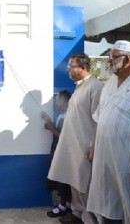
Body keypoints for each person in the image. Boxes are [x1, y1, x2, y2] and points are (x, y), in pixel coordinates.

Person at [86, 40, 130, 224]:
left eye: (114, 57)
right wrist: (93, 146)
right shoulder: (108, 84)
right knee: (107, 206)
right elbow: (99, 119)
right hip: (105, 161)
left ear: (129, 59)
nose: (109, 61)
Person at [47, 53, 103, 224]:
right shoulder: (79, 87)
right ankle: (77, 214)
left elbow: (97, 120)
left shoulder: (96, 87)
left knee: (85, 184)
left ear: (84, 68)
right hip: (73, 145)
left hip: (85, 146)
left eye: (71, 67)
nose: (68, 70)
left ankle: (89, 219)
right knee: (74, 182)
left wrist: (93, 146)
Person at [41, 89, 72, 218]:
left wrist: (51, 129)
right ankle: (67, 204)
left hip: (64, 154)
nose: (56, 103)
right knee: (58, 179)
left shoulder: (68, 118)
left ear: (66, 102)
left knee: (63, 180)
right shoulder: (61, 116)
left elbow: (65, 138)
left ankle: (63, 206)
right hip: (56, 151)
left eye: (58, 100)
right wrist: (48, 120)